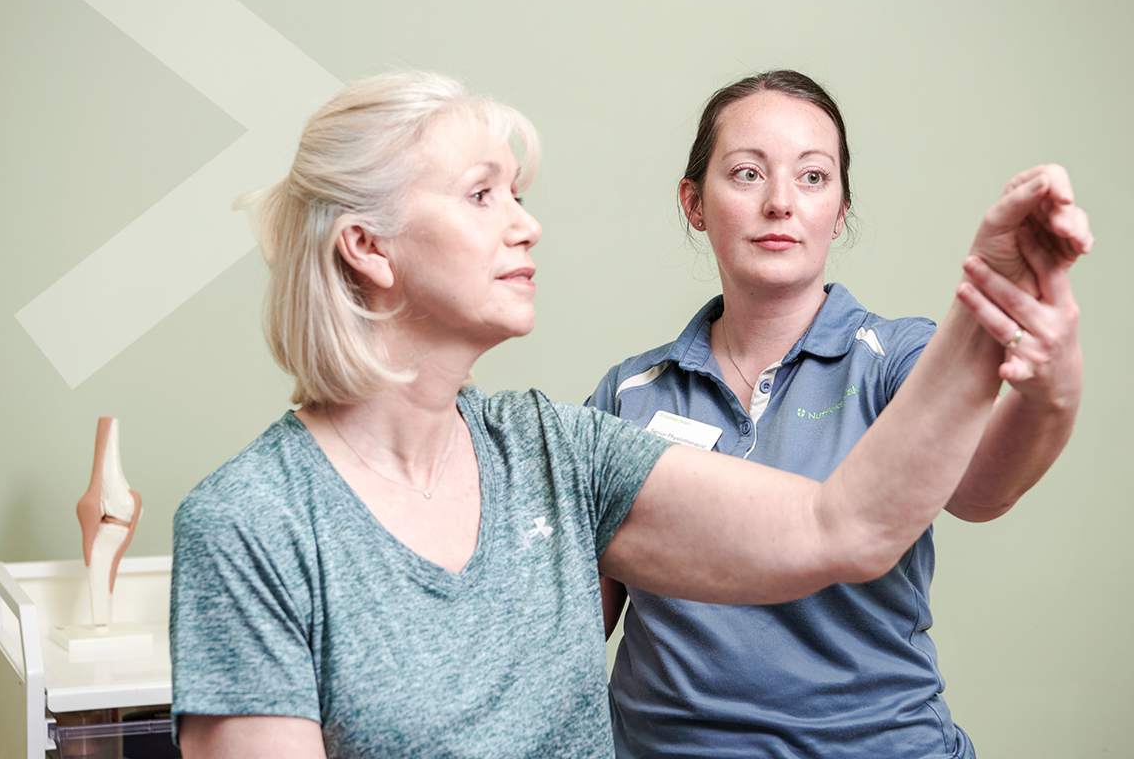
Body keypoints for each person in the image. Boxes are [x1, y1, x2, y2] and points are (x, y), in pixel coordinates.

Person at [168, 70, 1090, 759]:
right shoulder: (252, 522)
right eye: (484, 194)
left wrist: (990, 305)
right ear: (367, 247)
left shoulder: (558, 452)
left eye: (518, 195)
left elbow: (844, 525)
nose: (527, 224)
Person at [589, 70, 1090, 758]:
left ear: (841, 210)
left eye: (813, 178)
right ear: (694, 203)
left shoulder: (899, 359)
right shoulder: (628, 394)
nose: (780, 203)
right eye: (746, 174)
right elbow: (573, 626)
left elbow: (980, 490)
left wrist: (1049, 392)